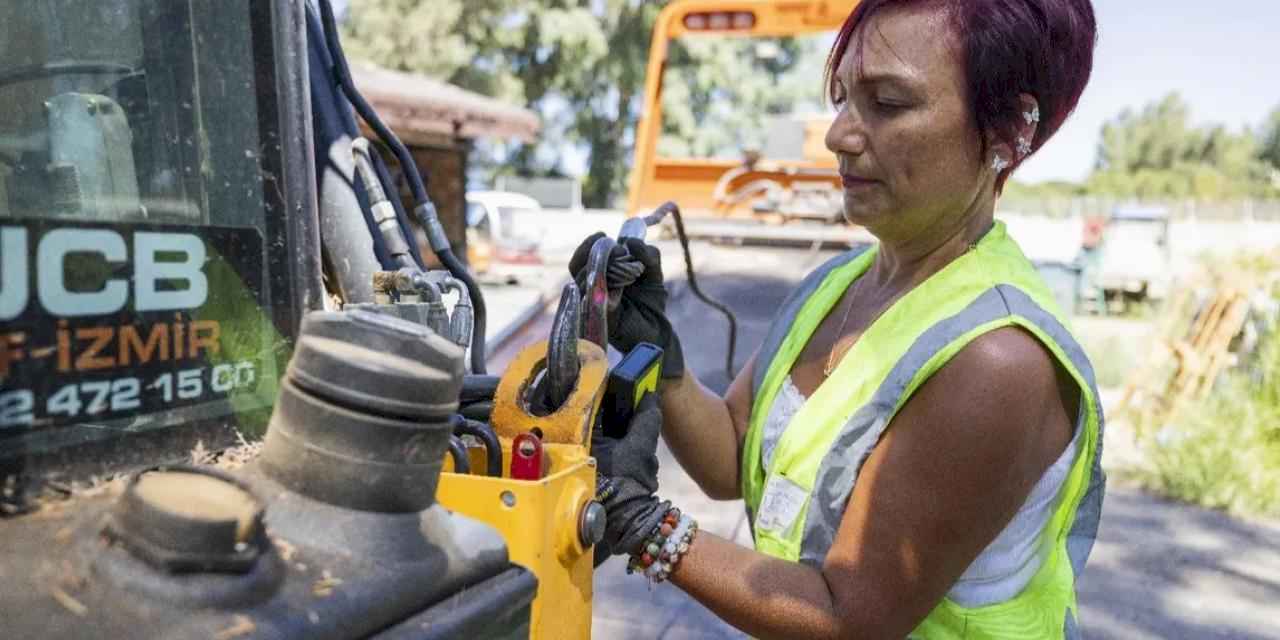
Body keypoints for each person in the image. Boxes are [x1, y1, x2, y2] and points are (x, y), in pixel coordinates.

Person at [575, 0, 1104, 637]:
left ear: (1009, 131)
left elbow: (844, 618)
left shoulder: (997, 358)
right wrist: (661, 355)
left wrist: (640, 524)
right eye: (842, 97)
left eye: (889, 103)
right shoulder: (839, 284)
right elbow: (732, 459)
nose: (840, 135)